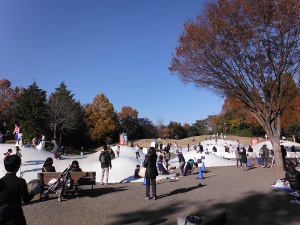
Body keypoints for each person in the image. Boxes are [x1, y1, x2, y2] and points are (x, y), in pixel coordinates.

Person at [0, 155, 42, 225]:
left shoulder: (1, 181)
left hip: (1, 214)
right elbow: (26, 199)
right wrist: (35, 191)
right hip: (15, 215)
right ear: (17, 167)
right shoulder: (20, 182)